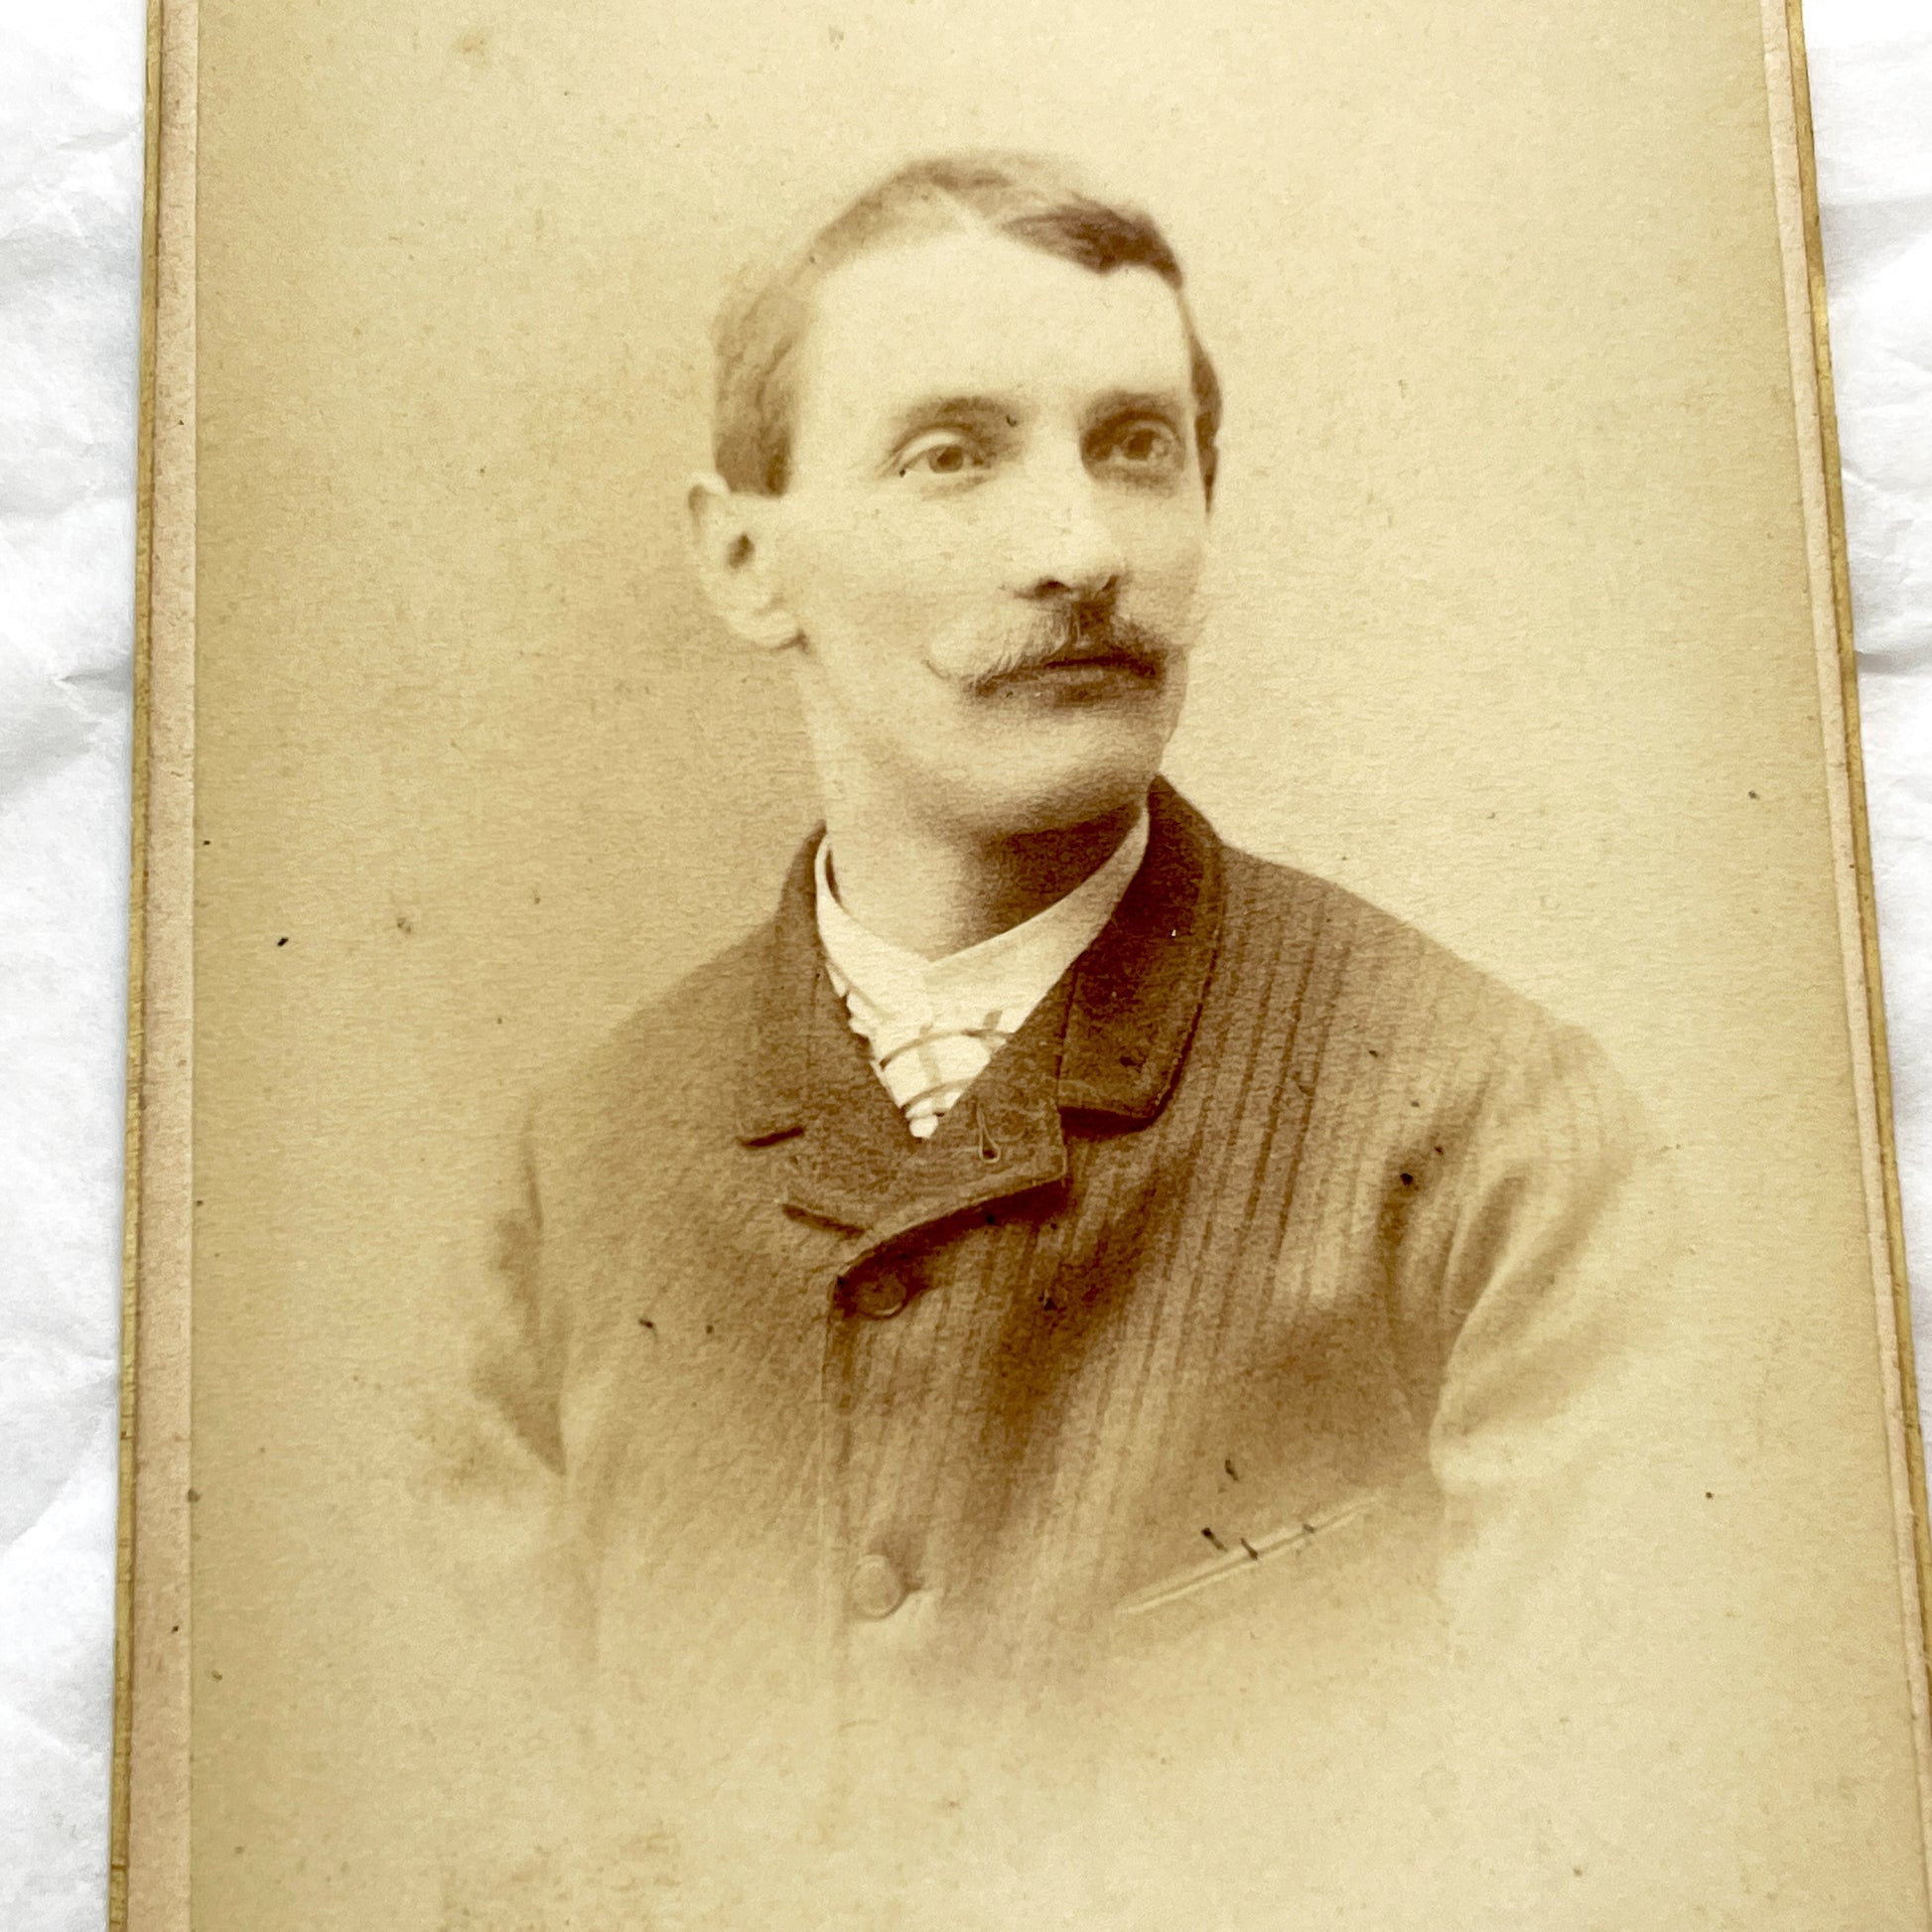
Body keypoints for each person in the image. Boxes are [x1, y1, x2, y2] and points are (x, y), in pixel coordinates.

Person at [450, 151, 1681, 1912]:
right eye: (953, 454)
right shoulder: (571, 1177)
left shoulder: (1495, 1134)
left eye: (1136, 448)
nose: (1083, 550)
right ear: (744, 558)